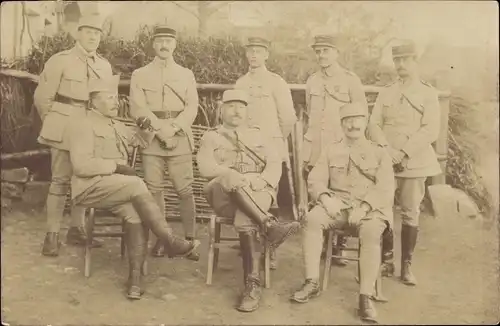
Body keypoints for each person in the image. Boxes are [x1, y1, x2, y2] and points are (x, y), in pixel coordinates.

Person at [67, 75, 200, 300]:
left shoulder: (117, 126)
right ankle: (169, 241)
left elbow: (139, 141)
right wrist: (116, 166)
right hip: (89, 187)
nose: (115, 102)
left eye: (116, 97)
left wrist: (146, 129)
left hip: (116, 189)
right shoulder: (82, 125)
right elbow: (80, 166)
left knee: (135, 215)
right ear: (93, 102)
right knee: (137, 182)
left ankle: (135, 280)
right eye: (108, 97)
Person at [196, 89, 300, 313]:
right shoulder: (211, 136)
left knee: (246, 219)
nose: (236, 111)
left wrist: (261, 180)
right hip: (223, 194)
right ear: (221, 109)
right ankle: (269, 225)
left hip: (257, 190)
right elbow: (205, 168)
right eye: (231, 106)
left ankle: (251, 285)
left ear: (247, 111)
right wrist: (233, 176)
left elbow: (274, 164)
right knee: (230, 177)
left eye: (241, 107)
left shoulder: (259, 136)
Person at [291, 102, 394, 322]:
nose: (353, 124)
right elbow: (316, 179)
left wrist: (365, 207)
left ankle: (365, 297)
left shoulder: (378, 152)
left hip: (370, 209)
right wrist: (325, 198)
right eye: (347, 120)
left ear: (365, 123)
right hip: (337, 205)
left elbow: (385, 187)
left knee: (371, 232)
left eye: (357, 120)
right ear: (341, 124)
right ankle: (311, 281)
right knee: (312, 219)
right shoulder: (331, 149)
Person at [34, 15, 113, 256]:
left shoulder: (104, 66)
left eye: (97, 33)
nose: (92, 37)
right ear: (77, 34)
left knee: (85, 178)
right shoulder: (60, 61)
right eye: (88, 31)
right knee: (59, 180)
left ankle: (77, 230)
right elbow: (42, 97)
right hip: (63, 123)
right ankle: (52, 235)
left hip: (90, 127)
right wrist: (54, 121)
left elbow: (105, 101)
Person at [368, 40, 442, 286]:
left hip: (415, 161)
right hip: (386, 160)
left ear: (415, 61)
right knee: (383, 209)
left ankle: (406, 265)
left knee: (410, 213)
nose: (400, 65)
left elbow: (431, 129)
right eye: (397, 60)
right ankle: (385, 260)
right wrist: (387, 150)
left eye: (405, 60)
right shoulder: (386, 91)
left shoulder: (427, 93)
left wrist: (404, 152)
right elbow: (373, 124)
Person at [129, 25, 199, 261]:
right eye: (160, 41)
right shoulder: (140, 74)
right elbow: (137, 107)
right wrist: (160, 132)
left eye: (169, 41)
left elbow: (192, 107)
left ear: (175, 45)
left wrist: (174, 128)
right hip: (152, 138)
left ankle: (190, 240)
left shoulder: (186, 74)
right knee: (154, 190)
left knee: (185, 190)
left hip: (179, 136)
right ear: (153, 45)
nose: (164, 45)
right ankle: (163, 239)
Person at [303, 33, 368, 266]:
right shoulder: (312, 81)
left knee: (340, 191)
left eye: (326, 51)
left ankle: (338, 246)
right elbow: (311, 114)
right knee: (317, 192)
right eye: (318, 51)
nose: (321, 55)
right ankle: (321, 246)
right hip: (317, 145)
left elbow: (360, 115)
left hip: (342, 147)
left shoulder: (350, 80)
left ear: (337, 52)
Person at [234, 35, 298, 270]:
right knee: (248, 192)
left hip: (270, 147)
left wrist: (274, 140)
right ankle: (249, 240)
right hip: (245, 149)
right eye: (250, 50)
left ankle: (271, 247)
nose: (253, 55)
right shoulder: (240, 83)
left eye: (258, 51)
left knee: (271, 197)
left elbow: (288, 118)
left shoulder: (276, 82)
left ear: (266, 54)